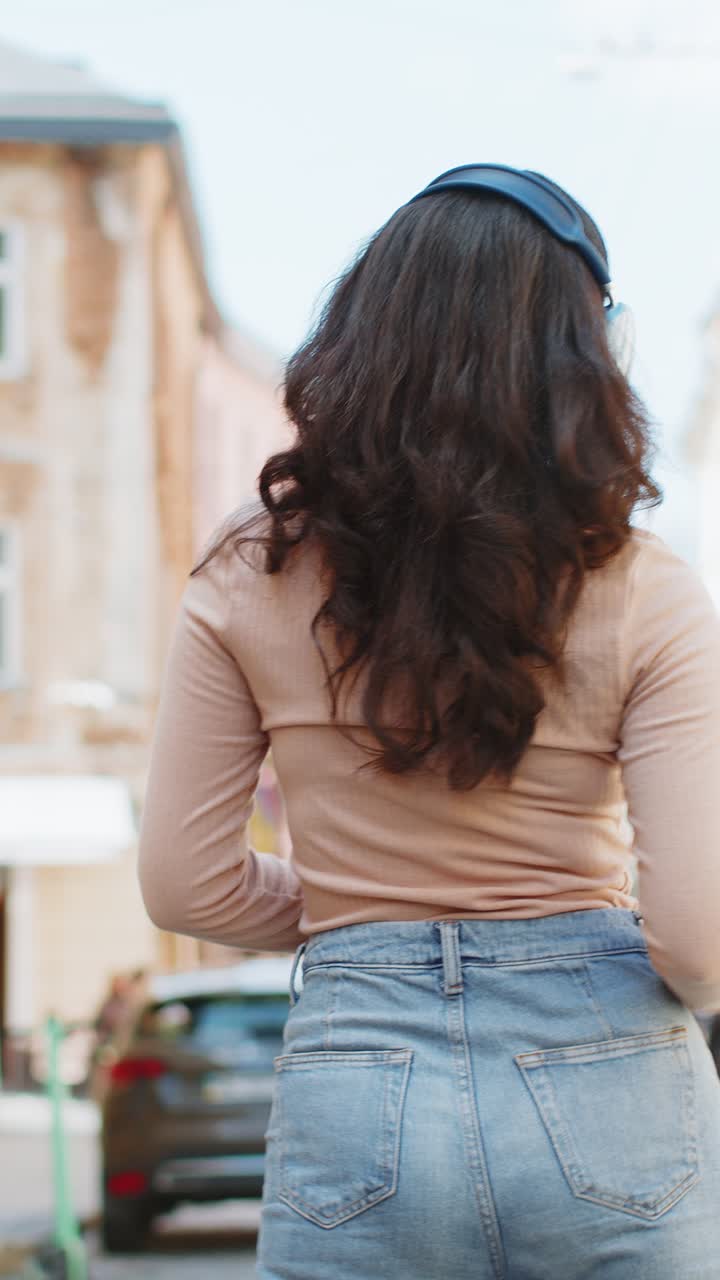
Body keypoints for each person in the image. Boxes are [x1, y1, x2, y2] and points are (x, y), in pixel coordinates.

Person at [138, 165, 720, 1279]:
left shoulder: (250, 571)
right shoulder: (646, 589)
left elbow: (184, 886)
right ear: (582, 356)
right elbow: (698, 935)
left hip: (358, 1076)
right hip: (611, 1081)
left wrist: (368, 921)